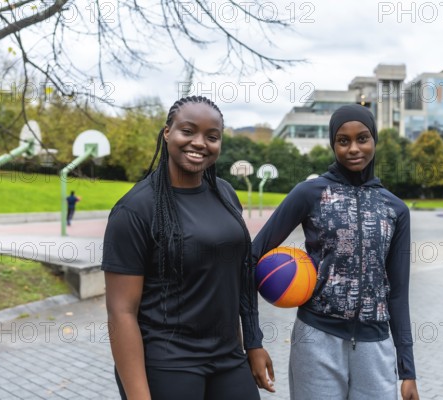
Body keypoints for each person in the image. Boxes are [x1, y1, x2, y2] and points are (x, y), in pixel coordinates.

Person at [101, 96, 274, 400]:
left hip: (228, 357)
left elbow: (242, 277)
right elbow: (121, 312)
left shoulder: (225, 195)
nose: (199, 143)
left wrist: (253, 342)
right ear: (167, 132)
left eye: (212, 136)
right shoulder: (135, 209)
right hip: (168, 362)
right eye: (188, 131)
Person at [252, 104, 420, 400]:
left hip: (374, 345)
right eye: (343, 141)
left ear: (374, 141)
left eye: (362, 138)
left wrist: (407, 371)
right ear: (333, 145)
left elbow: (397, 293)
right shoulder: (309, 193)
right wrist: (253, 339)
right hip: (316, 338)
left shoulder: (394, 209)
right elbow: (252, 257)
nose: (353, 148)